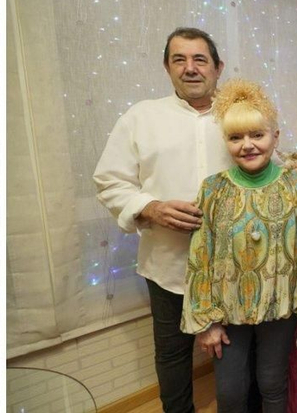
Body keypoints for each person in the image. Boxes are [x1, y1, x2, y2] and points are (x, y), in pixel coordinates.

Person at [94, 27, 232, 413]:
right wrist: (151, 207)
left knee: (234, 356)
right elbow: (109, 181)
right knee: (173, 357)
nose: (190, 69)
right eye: (179, 60)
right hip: (169, 266)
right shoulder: (141, 117)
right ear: (166, 67)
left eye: (200, 59)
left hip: (235, 267)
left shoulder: (239, 114)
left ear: (218, 68)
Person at [181, 80, 297, 413]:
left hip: (278, 308)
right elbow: (200, 257)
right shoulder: (213, 190)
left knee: (273, 385)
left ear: (275, 137)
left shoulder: (294, 185)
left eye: (257, 135)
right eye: (235, 137)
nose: (247, 145)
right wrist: (207, 321)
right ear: (226, 141)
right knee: (230, 393)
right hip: (227, 313)